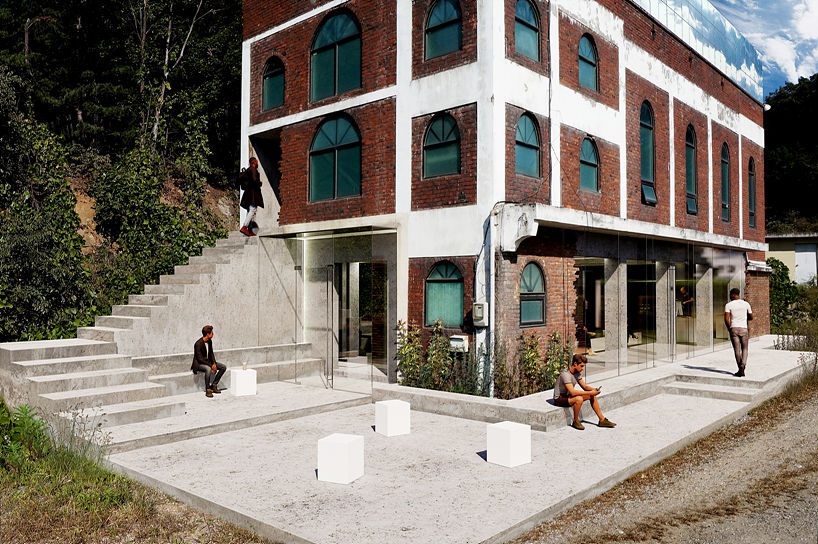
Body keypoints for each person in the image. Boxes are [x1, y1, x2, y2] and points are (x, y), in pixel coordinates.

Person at [553, 354, 616, 430]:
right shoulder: (565, 374)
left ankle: (602, 420)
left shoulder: (576, 373)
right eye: (581, 366)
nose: (582, 368)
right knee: (579, 399)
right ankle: (575, 421)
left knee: (591, 395)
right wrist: (590, 392)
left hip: (568, 396)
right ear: (575, 364)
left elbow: (585, 387)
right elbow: (572, 392)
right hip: (559, 399)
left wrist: (593, 390)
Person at [724, 287, 753, 377]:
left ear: (733, 295)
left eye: (730, 295)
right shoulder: (746, 304)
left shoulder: (728, 305)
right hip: (744, 328)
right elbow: (751, 317)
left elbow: (726, 318)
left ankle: (739, 368)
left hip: (734, 328)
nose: (730, 296)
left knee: (737, 349)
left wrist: (729, 328)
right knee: (745, 348)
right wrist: (745, 318)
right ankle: (743, 365)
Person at [191, 325, 227, 397]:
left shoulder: (209, 341)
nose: (213, 334)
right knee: (208, 369)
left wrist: (214, 363)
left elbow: (211, 353)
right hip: (199, 364)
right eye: (212, 333)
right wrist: (211, 366)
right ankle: (208, 389)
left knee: (223, 367)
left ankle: (214, 385)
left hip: (208, 362)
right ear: (208, 334)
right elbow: (200, 359)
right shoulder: (198, 344)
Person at [239, 157, 263, 236]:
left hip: (247, 195)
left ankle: (249, 230)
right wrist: (260, 182)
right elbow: (255, 181)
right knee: (252, 210)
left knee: (249, 211)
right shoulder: (253, 170)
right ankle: (245, 226)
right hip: (252, 194)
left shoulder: (247, 171)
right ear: (254, 162)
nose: (257, 163)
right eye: (257, 162)